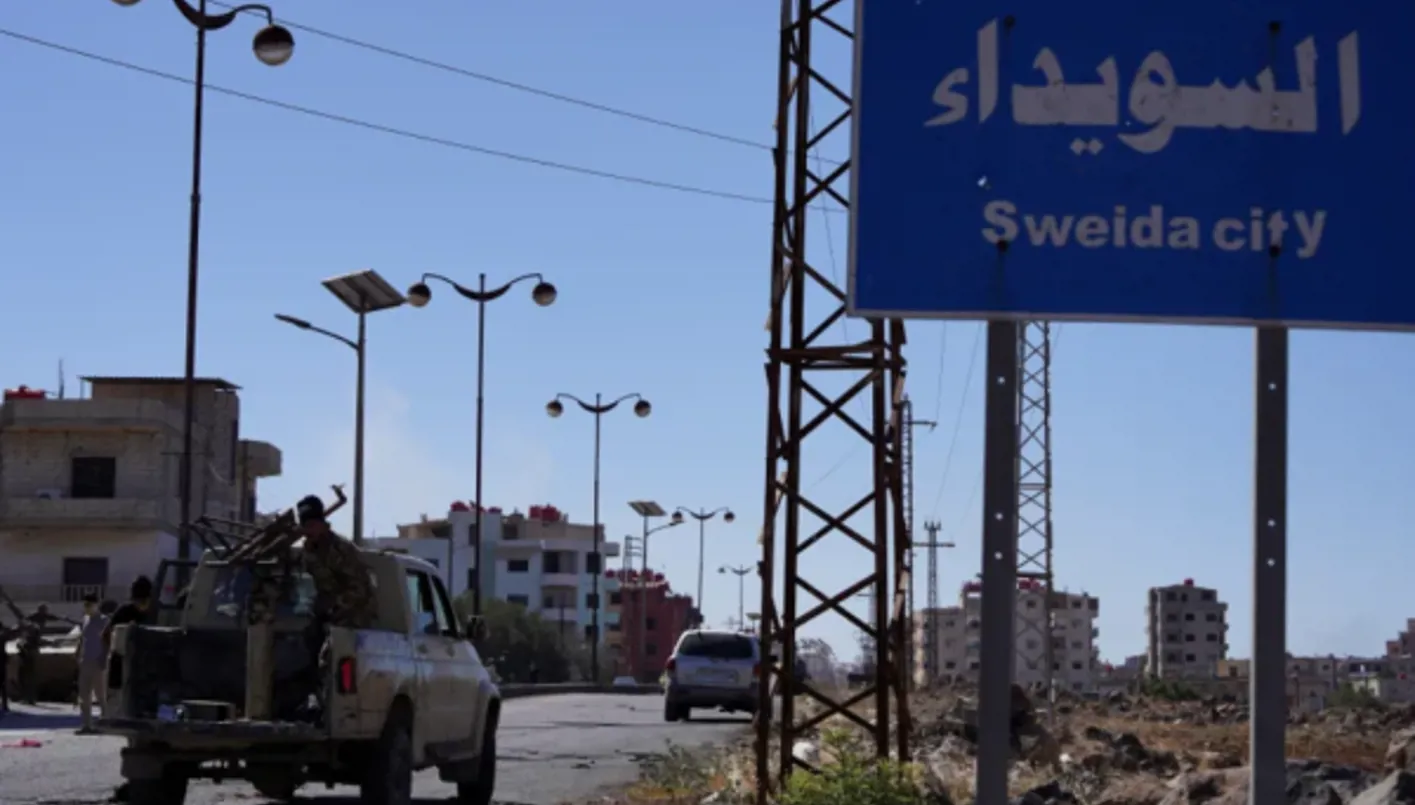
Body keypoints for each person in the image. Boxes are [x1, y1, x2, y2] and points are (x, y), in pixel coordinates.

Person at [296, 495, 375, 718]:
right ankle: (307, 697)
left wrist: (333, 607)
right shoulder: (308, 551)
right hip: (324, 613)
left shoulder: (341, 550)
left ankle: (324, 703)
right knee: (300, 642)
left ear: (322, 523)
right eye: (305, 526)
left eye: (312, 525)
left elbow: (361, 590)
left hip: (353, 615)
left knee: (330, 651)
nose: (308, 531)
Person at [102, 577, 155, 691]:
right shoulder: (124, 612)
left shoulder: (153, 613)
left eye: (144, 601)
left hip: (144, 671)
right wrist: (117, 650)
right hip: (121, 670)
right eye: (140, 601)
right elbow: (106, 635)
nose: (142, 604)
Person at [76, 593, 109, 734]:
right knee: (84, 695)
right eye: (85, 605)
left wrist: (104, 658)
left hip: (98, 661)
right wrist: (78, 652)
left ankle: (105, 722)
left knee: (101, 695)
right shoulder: (85, 619)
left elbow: (108, 641)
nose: (87, 608)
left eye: (89, 605)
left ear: (96, 605)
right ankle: (86, 725)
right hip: (85, 661)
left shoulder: (104, 620)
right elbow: (83, 638)